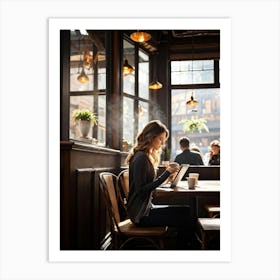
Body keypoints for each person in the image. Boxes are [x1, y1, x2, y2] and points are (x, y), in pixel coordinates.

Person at [125, 120, 197, 249]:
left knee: (187, 211)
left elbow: (148, 185)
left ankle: (187, 246)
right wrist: (166, 173)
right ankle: (187, 248)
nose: (162, 143)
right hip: (141, 215)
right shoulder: (141, 158)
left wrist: (167, 178)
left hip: (146, 209)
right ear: (151, 137)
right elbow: (142, 190)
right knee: (186, 216)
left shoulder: (144, 156)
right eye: (160, 139)